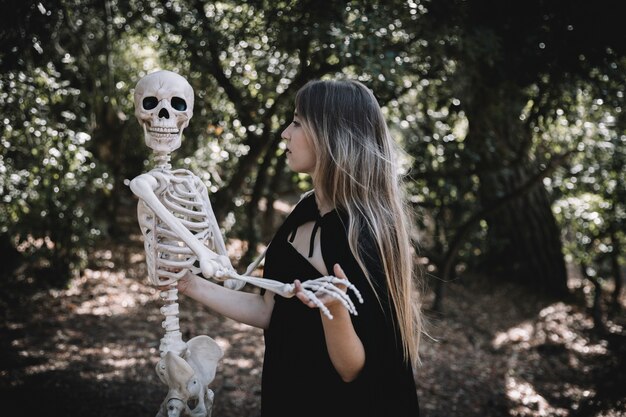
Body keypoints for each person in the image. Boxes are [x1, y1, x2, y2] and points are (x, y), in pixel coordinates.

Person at [176, 78, 423, 416]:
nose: (285, 134)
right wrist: (187, 283)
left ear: (330, 134)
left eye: (296, 123)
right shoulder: (307, 209)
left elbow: (353, 368)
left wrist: (334, 310)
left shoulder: (361, 234)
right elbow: (269, 311)